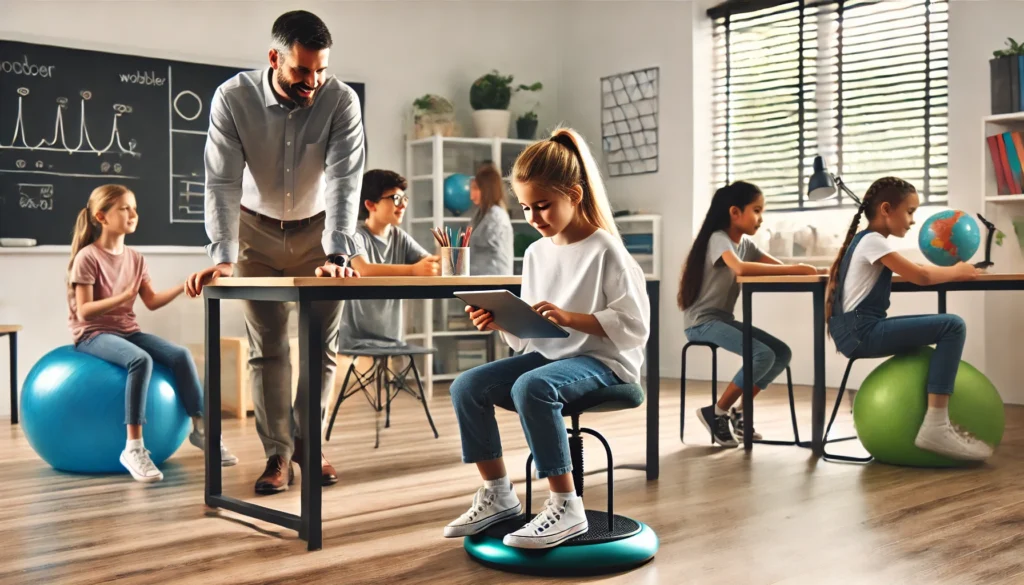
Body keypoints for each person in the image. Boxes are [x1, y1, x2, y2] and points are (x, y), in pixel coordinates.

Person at [185, 10, 365, 495]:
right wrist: (222, 255)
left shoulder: (340, 100)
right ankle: (278, 454)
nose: (313, 81)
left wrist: (339, 252)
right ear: (274, 58)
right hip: (254, 232)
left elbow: (346, 181)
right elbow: (220, 180)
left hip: (319, 233)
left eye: (321, 70)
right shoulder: (233, 97)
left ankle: (310, 443)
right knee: (267, 348)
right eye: (302, 70)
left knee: (320, 343)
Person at [442, 128, 650, 549]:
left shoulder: (606, 250)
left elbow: (634, 327)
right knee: (467, 385)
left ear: (573, 194)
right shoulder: (536, 252)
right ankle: (499, 495)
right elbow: (529, 340)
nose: (534, 218)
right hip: (551, 356)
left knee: (532, 385)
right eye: (524, 208)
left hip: (604, 362)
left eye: (542, 206)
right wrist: (503, 322)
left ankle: (565, 505)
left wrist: (573, 317)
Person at [67, 184, 237, 483]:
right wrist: (122, 297)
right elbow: (84, 312)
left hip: (127, 331)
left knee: (180, 355)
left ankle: (202, 432)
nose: (133, 213)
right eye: (124, 208)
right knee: (140, 360)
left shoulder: (136, 258)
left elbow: (151, 301)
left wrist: (186, 284)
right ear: (101, 217)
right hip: (93, 334)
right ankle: (133, 447)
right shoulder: (88, 258)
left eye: (134, 207)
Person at [825, 177, 992, 461]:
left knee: (940, 328)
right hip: (861, 332)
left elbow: (915, 268)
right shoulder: (873, 242)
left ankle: (934, 420)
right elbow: (921, 276)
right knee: (952, 326)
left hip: (855, 330)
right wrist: (958, 271)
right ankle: (936, 426)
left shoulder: (867, 242)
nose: (913, 221)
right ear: (886, 209)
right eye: (910, 211)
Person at [678, 181, 820, 447]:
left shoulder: (745, 244)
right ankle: (717, 411)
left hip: (722, 320)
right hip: (701, 323)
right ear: (735, 212)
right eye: (756, 210)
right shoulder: (718, 238)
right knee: (762, 353)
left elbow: (776, 267)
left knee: (781, 352)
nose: (761, 218)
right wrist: (797, 269)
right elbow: (741, 269)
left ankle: (741, 414)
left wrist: (807, 271)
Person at [336, 169, 439, 349]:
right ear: (370, 205)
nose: (403, 205)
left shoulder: (400, 237)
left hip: (393, 338)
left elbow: (430, 262)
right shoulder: (355, 235)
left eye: (404, 198)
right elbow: (363, 269)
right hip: (357, 340)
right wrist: (414, 270)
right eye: (395, 199)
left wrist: (436, 263)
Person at [468, 162, 514, 276]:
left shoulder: (496, 217)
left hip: (493, 280)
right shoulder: (480, 215)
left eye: (476, 189)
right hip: (478, 280)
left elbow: (494, 257)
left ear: (487, 189)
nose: (471, 196)